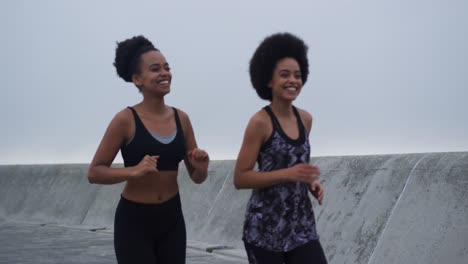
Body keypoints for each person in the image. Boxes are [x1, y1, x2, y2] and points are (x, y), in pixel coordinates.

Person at [87, 35, 209, 264]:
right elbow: (94, 172)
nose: (164, 73)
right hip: (134, 222)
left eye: (167, 67)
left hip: (172, 219)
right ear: (137, 79)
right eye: (155, 69)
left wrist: (201, 168)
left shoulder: (182, 119)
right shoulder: (125, 119)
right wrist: (132, 171)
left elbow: (197, 178)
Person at [233, 32, 327, 264]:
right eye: (284, 75)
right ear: (269, 80)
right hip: (264, 231)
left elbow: (295, 164)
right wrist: (288, 174)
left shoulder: (306, 119)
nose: (292, 80)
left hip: (301, 228)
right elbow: (241, 178)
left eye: (297, 75)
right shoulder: (260, 123)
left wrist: (308, 182)